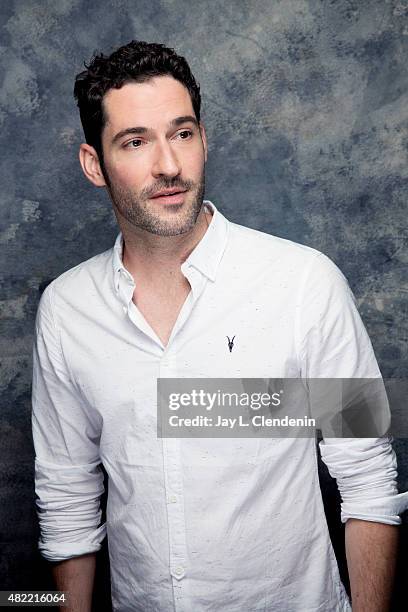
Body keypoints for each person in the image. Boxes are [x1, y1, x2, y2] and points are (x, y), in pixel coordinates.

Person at [32, 40, 408, 612]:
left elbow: (368, 480)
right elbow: (68, 502)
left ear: (204, 140)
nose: (168, 165)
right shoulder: (66, 311)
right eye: (135, 142)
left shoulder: (306, 282)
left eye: (182, 133)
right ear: (94, 164)